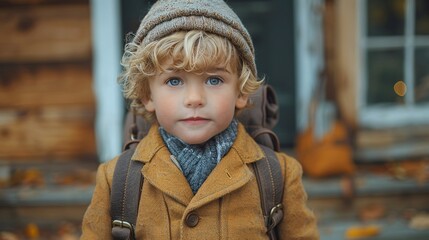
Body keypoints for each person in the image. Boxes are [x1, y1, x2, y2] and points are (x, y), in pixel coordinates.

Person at [81, 0, 319, 239]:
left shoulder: (278, 175)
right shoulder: (117, 180)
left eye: (214, 80)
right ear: (146, 95)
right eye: (174, 81)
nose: (195, 99)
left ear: (242, 92)